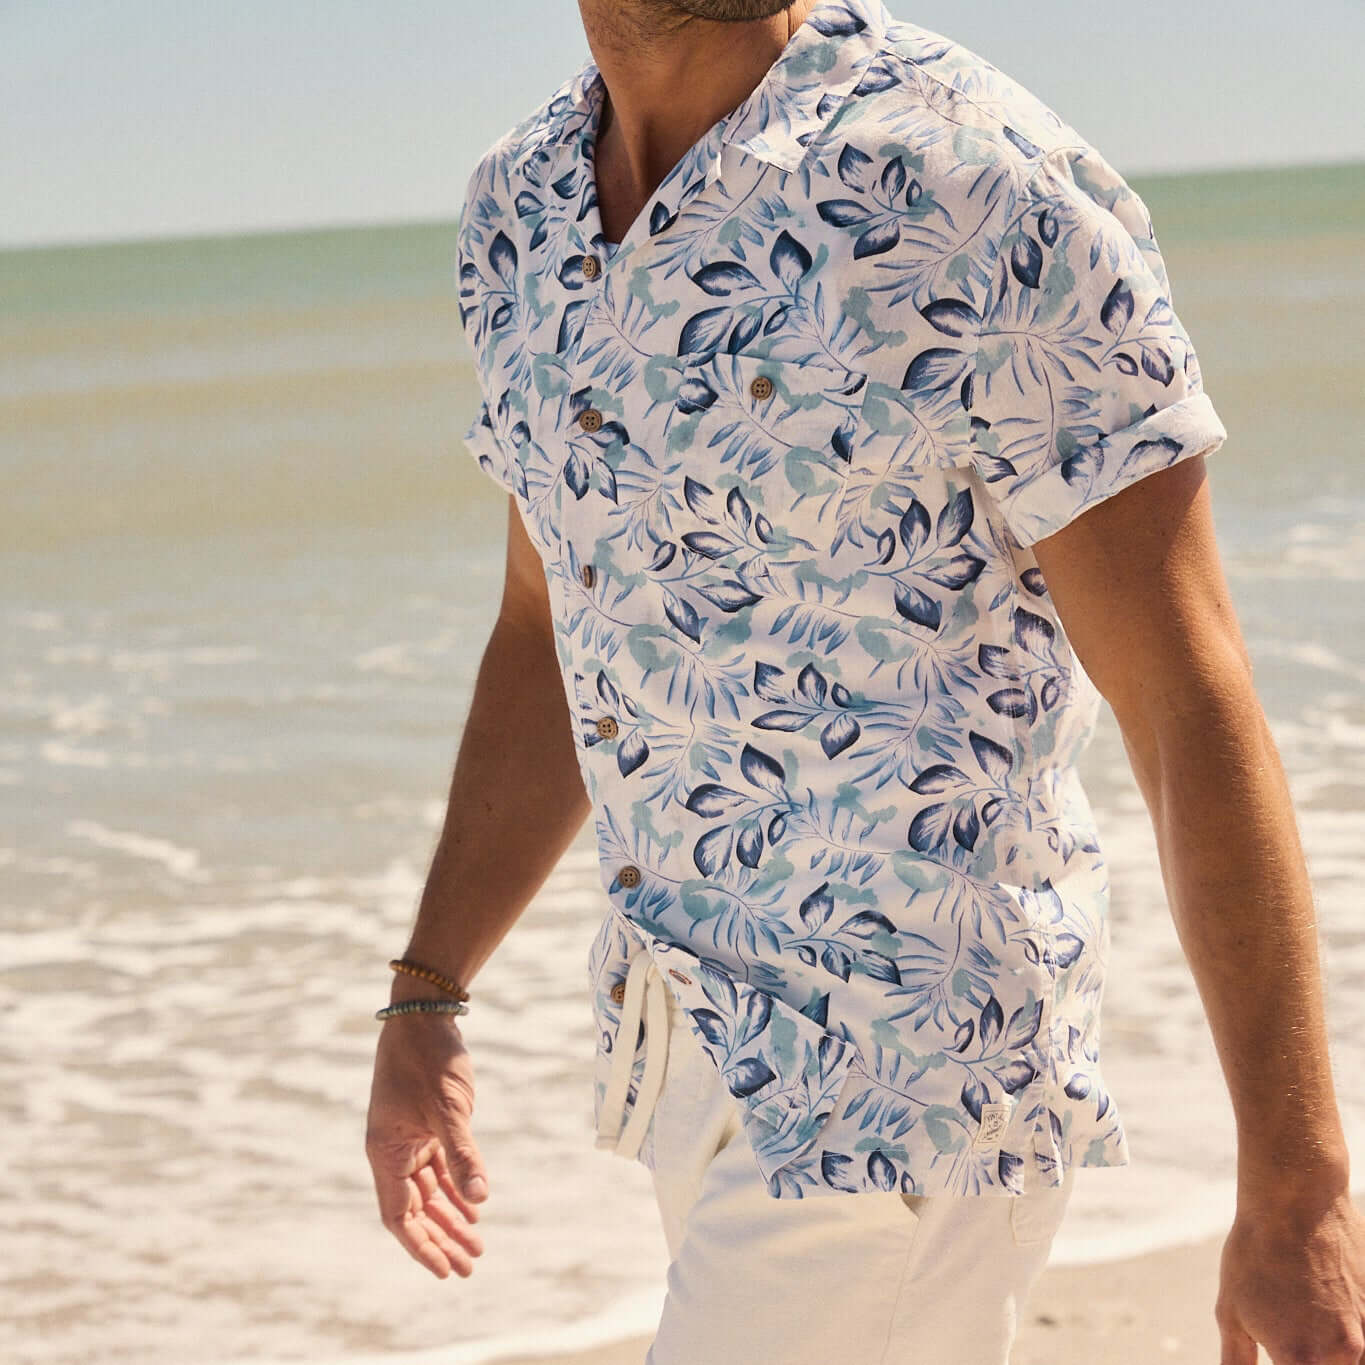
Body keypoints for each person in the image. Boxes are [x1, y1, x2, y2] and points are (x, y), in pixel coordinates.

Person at [365, 1, 1365, 1361]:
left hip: (914, 1063)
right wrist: (429, 987)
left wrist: (1297, 1187)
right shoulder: (522, 208)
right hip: (688, 1033)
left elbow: (1187, 696)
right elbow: (557, 617)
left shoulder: (971, 180)